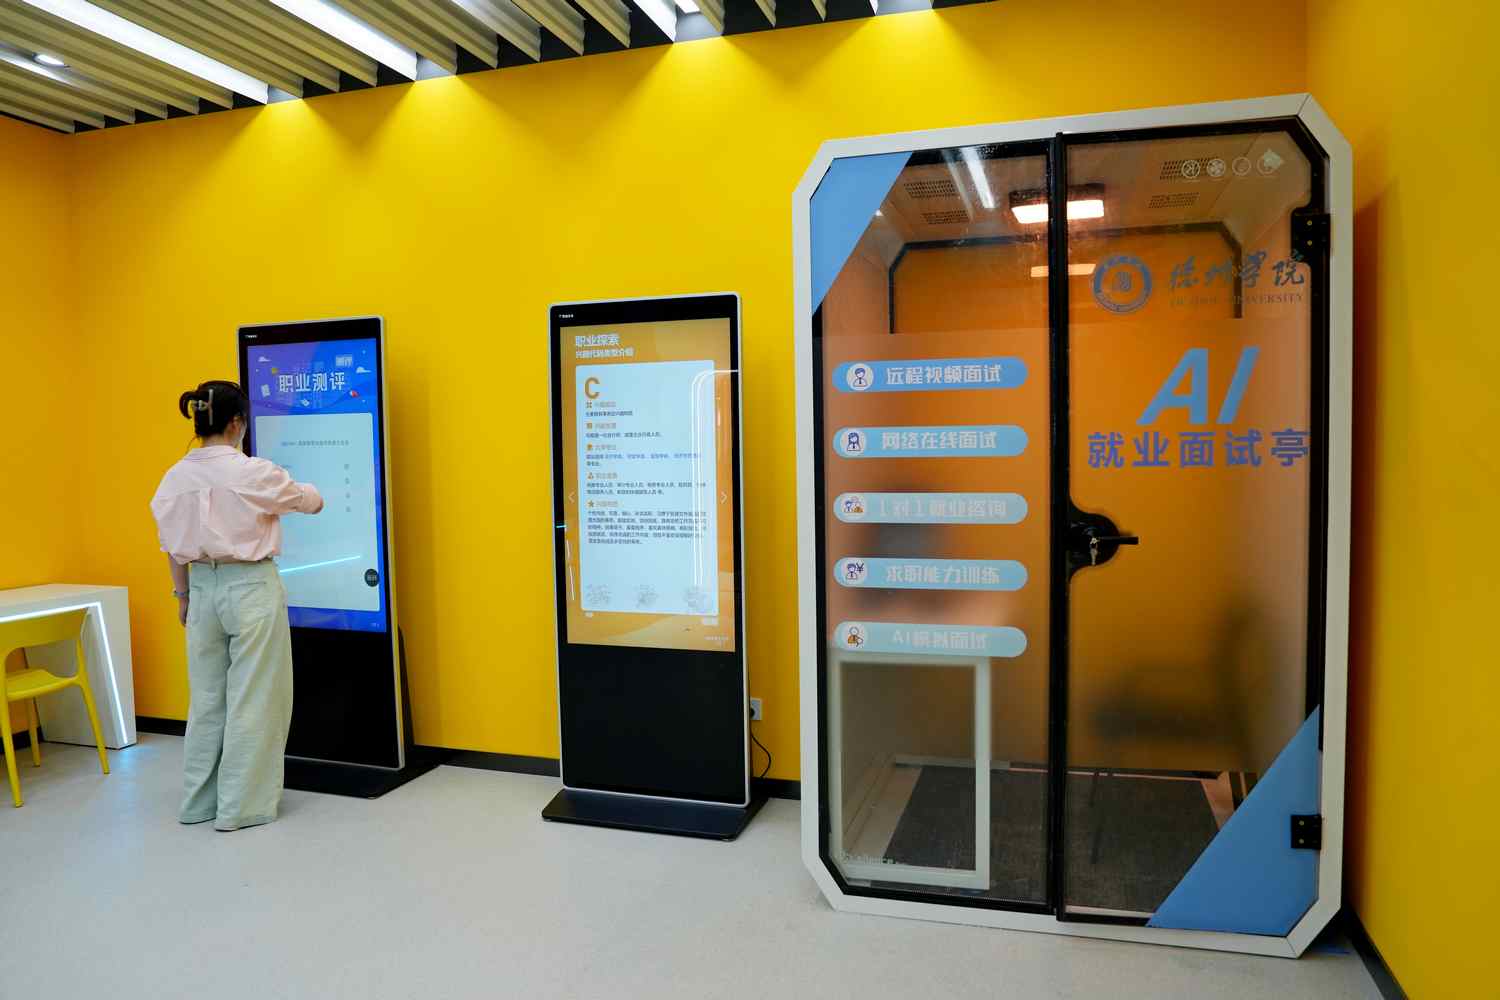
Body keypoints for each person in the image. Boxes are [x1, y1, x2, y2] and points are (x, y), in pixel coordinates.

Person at [149, 380, 324, 831]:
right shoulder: (252, 472)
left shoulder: (173, 478)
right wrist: (307, 487)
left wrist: (183, 597)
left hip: (200, 590)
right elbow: (311, 502)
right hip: (249, 588)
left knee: (206, 700)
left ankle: (198, 803)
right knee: (255, 698)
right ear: (236, 423)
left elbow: (171, 547)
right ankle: (239, 807)